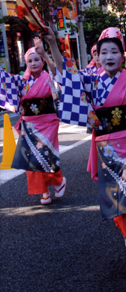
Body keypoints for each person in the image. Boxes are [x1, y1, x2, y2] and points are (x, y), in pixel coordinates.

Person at [42, 9, 126, 265]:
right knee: (115, 196)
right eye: (103, 52)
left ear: (123, 54)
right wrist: (51, 43)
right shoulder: (92, 80)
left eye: (114, 51)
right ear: (98, 56)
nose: (109, 56)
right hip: (106, 145)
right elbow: (67, 75)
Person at [0, 39, 66, 205]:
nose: (34, 63)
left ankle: (58, 180)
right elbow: (4, 79)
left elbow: (59, 71)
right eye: (30, 60)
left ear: (42, 61)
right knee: (31, 159)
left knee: (46, 155)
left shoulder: (49, 76)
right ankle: (43, 191)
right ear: (26, 63)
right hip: (29, 123)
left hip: (48, 122)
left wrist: (45, 53)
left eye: (37, 59)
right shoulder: (21, 80)